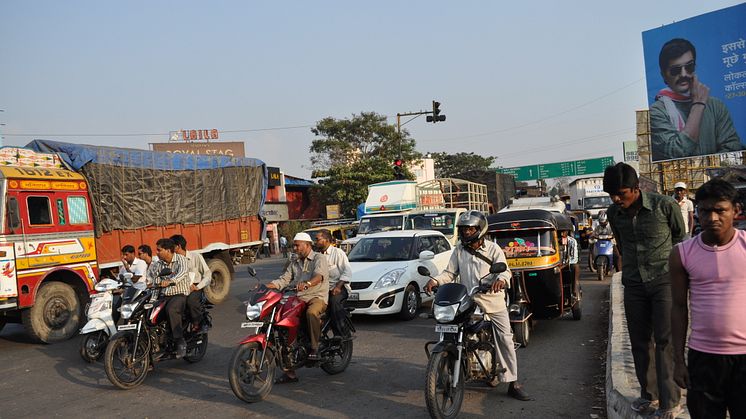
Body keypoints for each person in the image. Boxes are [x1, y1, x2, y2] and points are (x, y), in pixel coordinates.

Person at [603, 162, 686, 418]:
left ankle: (670, 401)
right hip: (634, 283)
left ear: (636, 188)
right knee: (639, 341)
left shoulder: (665, 205)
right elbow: (621, 243)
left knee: (665, 340)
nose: (617, 199)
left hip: (663, 280)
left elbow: (680, 238)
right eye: (612, 195)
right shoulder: (613, 213)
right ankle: (649, 395)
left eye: (622, 194)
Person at [424, 210, 531, 401]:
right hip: (468, 300)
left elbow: (504, 271)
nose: (466, 232)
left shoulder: (493, 249)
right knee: (449, 328)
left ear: (480, 230)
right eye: (463, 229)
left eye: (470, 229)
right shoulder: (459, 250)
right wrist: (435, 281)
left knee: (504, 337)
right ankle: (445, 368)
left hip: (492, 300)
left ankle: (513, 381)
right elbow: (449, 273)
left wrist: (500, 281)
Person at [670, 179, 746, 419]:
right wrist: (679, 361)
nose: (712, 218)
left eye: (720, 210)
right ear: (697, 212)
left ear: (736, 211)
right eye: (705, 211)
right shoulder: (682, 253)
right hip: (703, 357)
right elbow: (679, 308)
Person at [650, 38, 742, 161]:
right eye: (675, 70)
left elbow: (733, 149)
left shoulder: (716, 106)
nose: (683, 74)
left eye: (689, 67)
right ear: (664, 75)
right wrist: (698, 104)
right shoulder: (657, 112)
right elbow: (678, 152)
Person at [267, 232, 329, 384]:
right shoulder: (294, 261)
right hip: (298, 298)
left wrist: (308, 284)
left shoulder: (319, 258)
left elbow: (319, 276)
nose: (294, 248)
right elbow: (283, 280)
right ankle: (289, 372)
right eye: (294, 245)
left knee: (311, 312)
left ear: (307, 245)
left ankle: (314, 347)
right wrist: (265, 286)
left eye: (297, 245)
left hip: (316, 297)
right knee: (280, 324)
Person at [146, 238, 191, 358]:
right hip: (164, 296)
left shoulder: (181, 259)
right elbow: (154, 280)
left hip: (179, 294)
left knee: (171, 309)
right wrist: (152, 299)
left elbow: (182, 273)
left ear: (168, 250)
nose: (157, 252)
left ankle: (179, 341)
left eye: (159, 250)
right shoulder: (158, 264)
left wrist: (171, 280)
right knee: (149, 315)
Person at [313, 229, 353, 336]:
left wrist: (338, 286)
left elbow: (347, 271)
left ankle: (340, 333)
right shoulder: (316, 256)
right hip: (320, 290)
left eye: (317, 239)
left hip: (337, 288)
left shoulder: (338, 253)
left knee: (334, 302)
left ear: (326, 240)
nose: (315, 241)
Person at [170, 234, 211, 333]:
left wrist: (197, 287)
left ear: (178, 246)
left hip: (194, 287)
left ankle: (197, 323)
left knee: (191, 302)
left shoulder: (196, 256)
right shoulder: (173, 260)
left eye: (171, 246)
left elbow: (208, 275)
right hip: (179, 288)